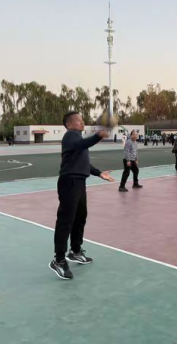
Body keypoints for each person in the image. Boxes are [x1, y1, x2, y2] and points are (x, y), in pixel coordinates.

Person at [50, 111, 114, 280]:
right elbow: (84, 143)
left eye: (82, 119)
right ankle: (58, 260)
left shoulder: (78, 140)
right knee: (65, 221)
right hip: (69, 182)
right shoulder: (70, 136)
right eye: (78, 120)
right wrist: (98, 136)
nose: (82, 122)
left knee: (80, 218)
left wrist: (99, 173)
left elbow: (85, 163)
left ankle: (75, 251)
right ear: (69, 124)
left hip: (79, 182)